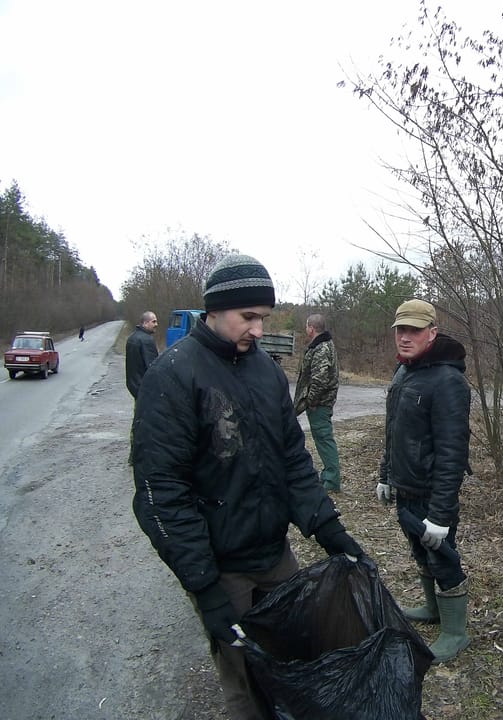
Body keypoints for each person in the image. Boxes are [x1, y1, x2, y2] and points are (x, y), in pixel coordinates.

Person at [130, 254, 364, 720]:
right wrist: (206, 589)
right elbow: (162, 495)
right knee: (245, 683)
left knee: (293, 658)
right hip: (222, 567)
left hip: (274, 554)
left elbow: (292, 459)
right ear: (214, 310)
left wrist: (328, 528)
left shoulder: (266, 372)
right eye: (249, 317)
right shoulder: (173, 375)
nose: (258, 330)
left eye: (264, 318)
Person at [375, 299, 472, 663]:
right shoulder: (404, 372)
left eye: (414, 330)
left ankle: (456, 632)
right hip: (406, 488)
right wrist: (386, 475)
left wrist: (441, 515)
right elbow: (394, 431)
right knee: (420, 552)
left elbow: (452, 453)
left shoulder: (448, 381)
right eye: (401, 329)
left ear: (432, 333)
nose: (405, 337)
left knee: (442, 558)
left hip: (432, 494)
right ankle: (433, 609)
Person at [293, 314, 342, 492]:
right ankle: (329, 475)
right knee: (322, 439)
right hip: (320, 402)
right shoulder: (323, 345)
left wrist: (311, 401)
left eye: (307, 326)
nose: (306, 329)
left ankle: (332, 480)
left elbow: (320, 379)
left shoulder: (321, 348)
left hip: (320, 404)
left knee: (324, 439)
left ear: (311, 328)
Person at [124, 311, 159, 399]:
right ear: (145, 323)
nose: (156, 324)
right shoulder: (147, 340)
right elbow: (152, 367)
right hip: (145, 388)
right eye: (153, 321)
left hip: (133, 386)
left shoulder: (131, 338)